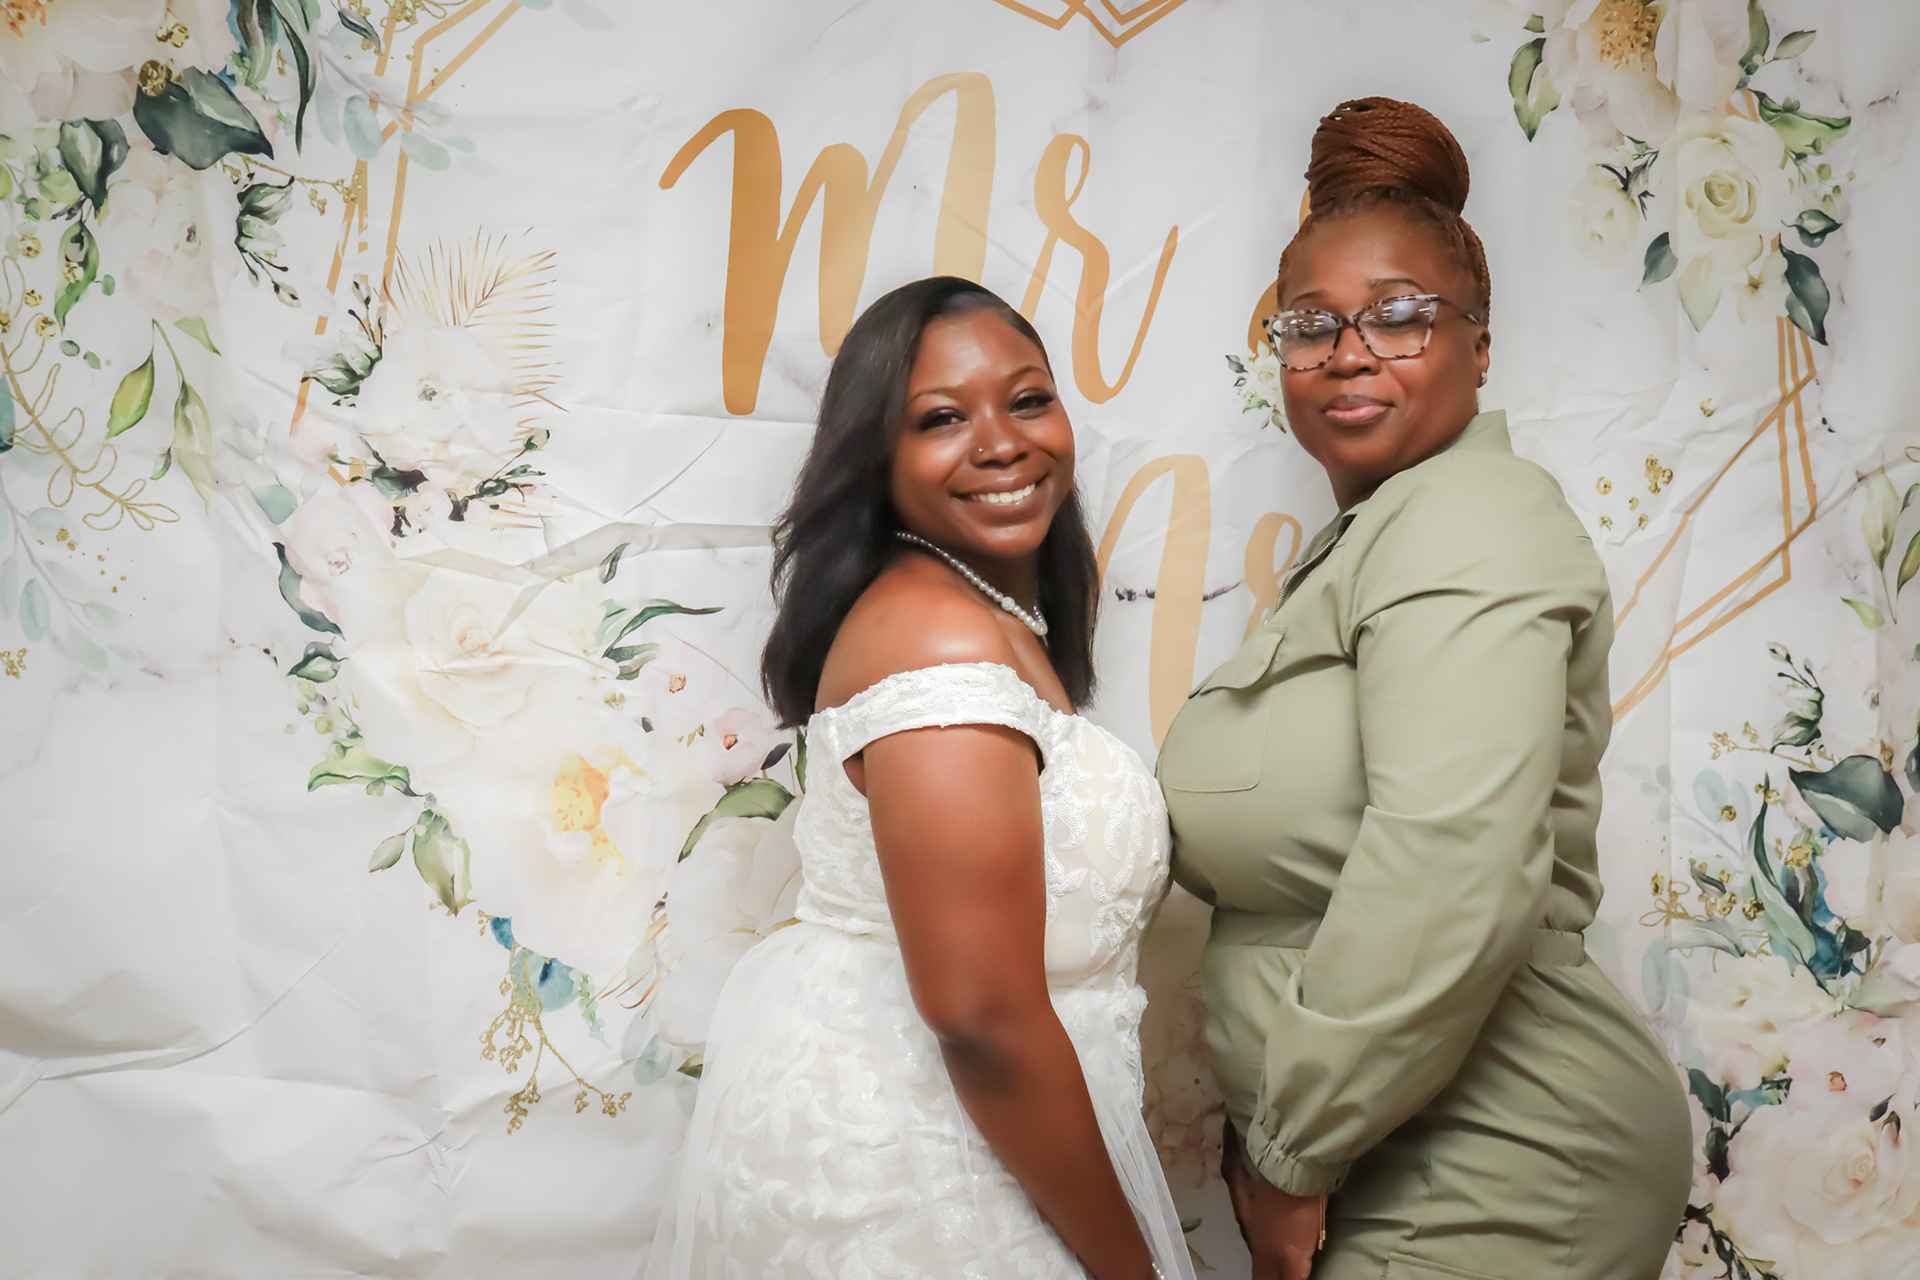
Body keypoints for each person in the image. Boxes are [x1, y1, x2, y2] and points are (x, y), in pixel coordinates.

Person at [1154, 98, 1691, 1280]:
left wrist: (1290, 1153)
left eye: (1400, 315)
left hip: (1499, 1152)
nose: (1349, 351)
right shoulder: (1375, 539)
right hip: (1408, 1151)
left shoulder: (1469, 518)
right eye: (1311, 324)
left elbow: (1450, 861)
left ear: (1480, 346)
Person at [646, 276, 1194, 1280]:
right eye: (942, 418)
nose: (1002, 443)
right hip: (926, 1162)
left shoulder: (974, 609)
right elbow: (981, 1015)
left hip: (970, 1136)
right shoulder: (937, 636)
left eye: (1028, 400)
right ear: (876, 457)